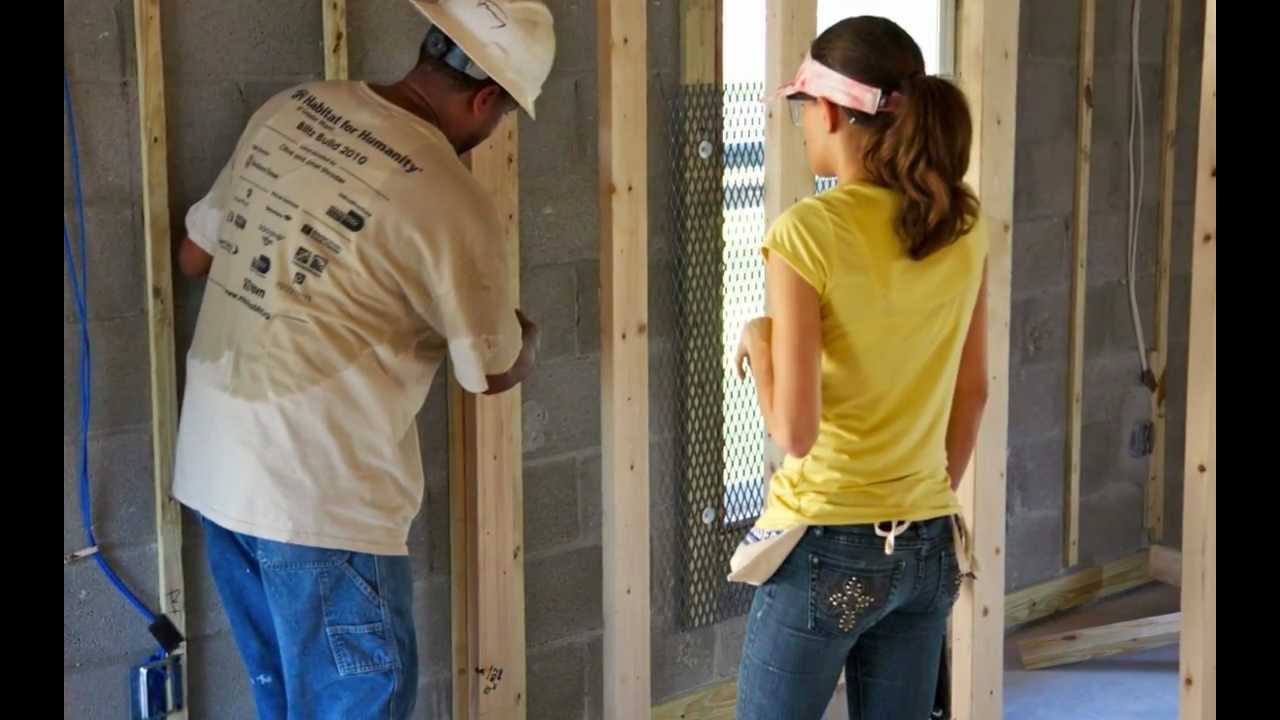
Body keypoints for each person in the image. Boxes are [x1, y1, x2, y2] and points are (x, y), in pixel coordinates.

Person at [169, 2, 555, 717]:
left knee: (288, 702)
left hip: (219, 473)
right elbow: (492, 370)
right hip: (319, 498)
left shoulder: (292, 108)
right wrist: (526, 331)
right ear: (485, 100)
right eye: (503, 117)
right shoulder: (447, 194)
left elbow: (195, 256)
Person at [731, 16, 989, 720]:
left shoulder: (807, 231)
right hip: (928, 544)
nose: (802, 126)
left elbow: (795, 432)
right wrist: (918, 497)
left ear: (830, 111)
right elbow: (972, 393)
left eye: (802, 109)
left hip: (826, 544)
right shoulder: (961, 226)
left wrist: (759, 341)